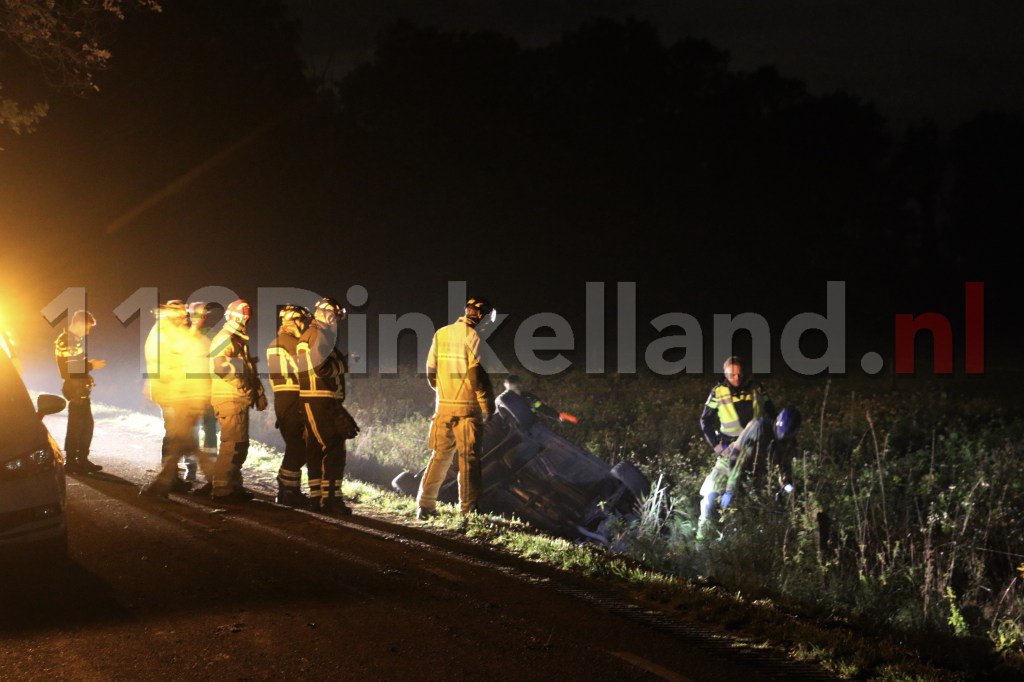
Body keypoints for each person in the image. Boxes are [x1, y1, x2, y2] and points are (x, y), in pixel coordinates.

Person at [416, 297, 496, 520]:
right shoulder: (474, 337)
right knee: (468, 461)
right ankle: (469, 510)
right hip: (468, 411)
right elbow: (477, 377)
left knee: (439, 457)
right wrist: (487, 406)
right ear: (481, 316)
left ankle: (425, 504)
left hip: (443, 408)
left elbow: (431, 371)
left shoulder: (441, 333)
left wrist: (444, 392)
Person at [696, 356, 776, 540]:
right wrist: (717, 447)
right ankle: (701, 540)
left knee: (755, 498)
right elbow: (705, 420)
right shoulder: (718, 391)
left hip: (755, 452)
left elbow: (773, 414)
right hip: (729, 452)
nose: (737, 378)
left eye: (740, 374)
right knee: (711, 495)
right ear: (725, 374)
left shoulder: (757, 388)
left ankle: (754, 542)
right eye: (732, 375)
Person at [141, 300, 213, 497]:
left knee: (181, 440)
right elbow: (163, 366)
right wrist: (158, 387)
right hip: (179, 396)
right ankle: (216, 482)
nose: (186, 319)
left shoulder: (175, 334)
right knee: (182, 440)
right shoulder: (165, 335)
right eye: (182, 315)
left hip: (186, 396)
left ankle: (166, 483)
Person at [297, 297, 355, 515]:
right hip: (321, 399)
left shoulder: (310, 334)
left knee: (315, 448)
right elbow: (321, 368)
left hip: (313, 399)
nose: (336, 321)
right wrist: (345, 363)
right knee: (334, 447)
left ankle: (317, 497)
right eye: (335, 316)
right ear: (327, 314)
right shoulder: (320, 335)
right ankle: (330, 501)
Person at [207, 299, 267, 502]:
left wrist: (258, 392)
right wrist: (246, 388)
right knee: (233, 444)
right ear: (232, 317)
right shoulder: (225, 339)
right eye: (242, 317)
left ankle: (232, 486)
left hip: (236, 398)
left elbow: (247, 369)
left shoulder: (237, 341)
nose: (245, 321)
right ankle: (222, 490)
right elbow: (221, 368)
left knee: (239, 443)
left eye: (246, 318)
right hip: (229, 398)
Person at [267, 304, 312, 508]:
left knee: (295, 445)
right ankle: (287, 489)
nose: (304, 325)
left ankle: (287, 489)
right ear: (296, 321)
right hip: (293, 398)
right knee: (298, 447)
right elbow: (306, 369)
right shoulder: (292, 343)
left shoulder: (276, 342)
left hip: (283, 399)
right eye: (302, 321)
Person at [54, 310, 105, 473]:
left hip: (79, 388)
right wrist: (91, 366)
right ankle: (74, 462)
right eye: (87, 328)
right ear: (79, 323)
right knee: (78, 425)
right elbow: (70, 369)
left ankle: (80, 459)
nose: (88, 332)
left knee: (84, 425)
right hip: (75, 390)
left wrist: (87, 372)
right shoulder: (68, 341)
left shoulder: (73, 340)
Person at [185, 301, 219, 481]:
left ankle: (210, 470)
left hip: (208, 388)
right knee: (191, 430)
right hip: (189, 389)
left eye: (203, 314)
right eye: (196, 314)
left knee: (210, 428)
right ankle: (190, 467)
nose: (200, 318)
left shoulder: (212, 335)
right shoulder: (183, 336)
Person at [501, 374, 578, 424]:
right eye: (508, 389)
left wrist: (557, 416)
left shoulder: (528, 397)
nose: (509, 392)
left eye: (512, 388)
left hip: (532, 427)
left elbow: (542, 408)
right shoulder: (504, 402)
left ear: (518, 384)